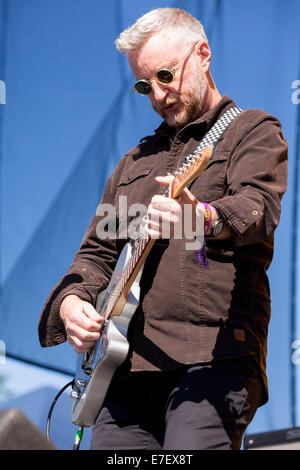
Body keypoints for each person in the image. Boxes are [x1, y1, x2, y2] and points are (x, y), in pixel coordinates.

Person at [39, 7, 288, 450]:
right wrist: (70, 303)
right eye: (143, 84)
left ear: (203, 55)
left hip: (211, 361)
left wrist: (202, 216)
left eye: (165, 76)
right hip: (123, 370)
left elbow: (258, 209)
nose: (157, 94)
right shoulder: (133, 163)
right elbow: (96, 253)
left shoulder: (252, 130)